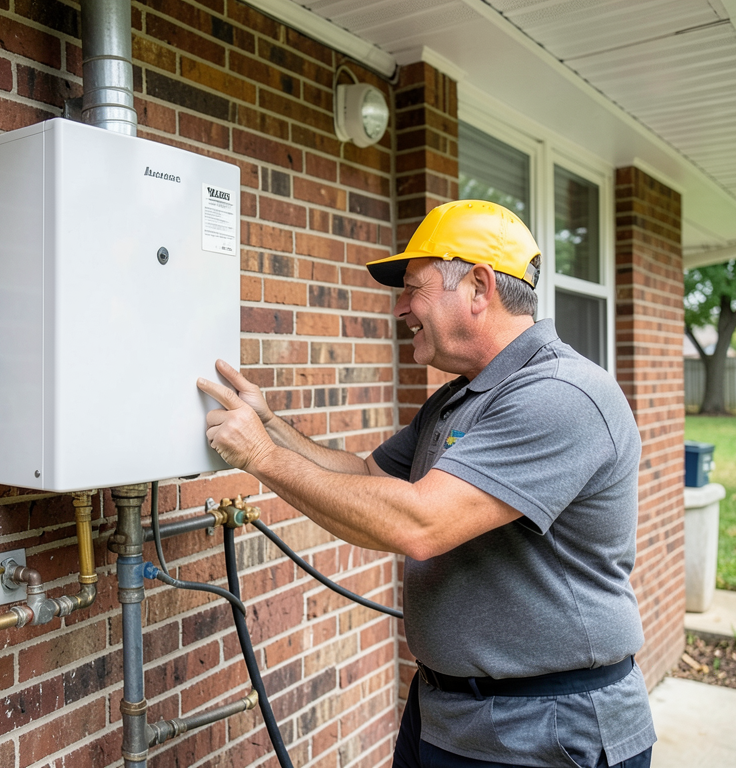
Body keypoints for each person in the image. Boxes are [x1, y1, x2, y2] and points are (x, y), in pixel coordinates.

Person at [197, 200, 656, 768]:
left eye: (415, 288)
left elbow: (421, 523)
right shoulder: (458, 399)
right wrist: (272, 430)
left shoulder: (562, 395)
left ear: (479, 287)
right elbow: (368, 477)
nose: (400, 308)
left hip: (547, 729)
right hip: (449, 713)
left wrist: (262, 458)